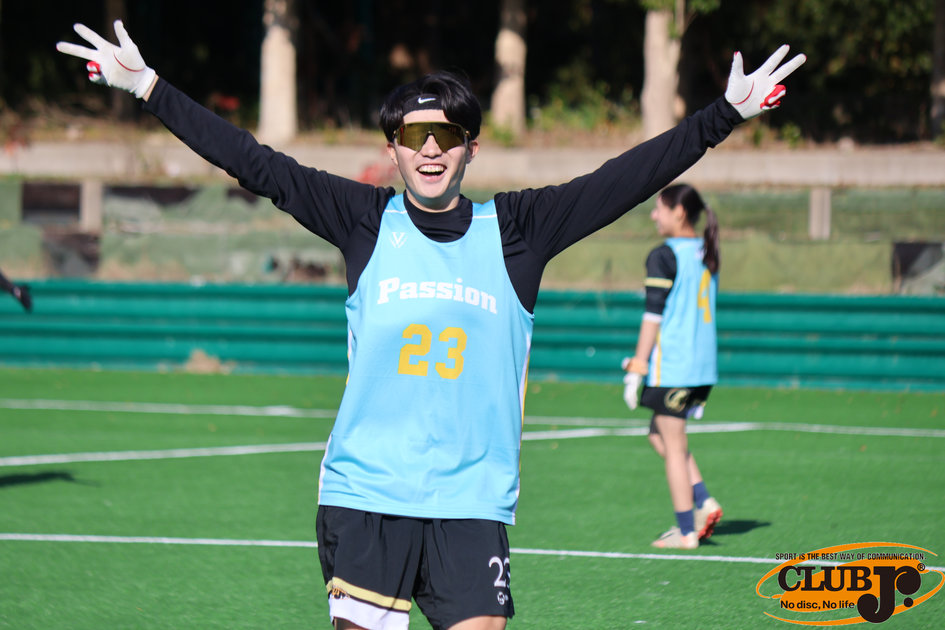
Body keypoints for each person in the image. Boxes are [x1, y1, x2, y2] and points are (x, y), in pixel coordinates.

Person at [57, 20, 805, 630]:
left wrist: (723, 115)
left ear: (471, 147)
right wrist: (148, 86)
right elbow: (255, 164)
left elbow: (624, 179)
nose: (430, 151)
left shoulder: (517, 230)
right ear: (392, 150)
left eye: (447, 137)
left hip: (471, 504)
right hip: (367, 496)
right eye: (414, 138)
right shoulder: (362, 220)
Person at [621, 183, 723, 550]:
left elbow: (653, 316)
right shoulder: (705, 250)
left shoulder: (664, 255)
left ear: (678, 213)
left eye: (658, 208)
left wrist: (638, 366)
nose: (653, 215)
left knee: (674, 448)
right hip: (701, 367)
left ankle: (686, 531)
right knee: (658, 434)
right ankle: (704, 501)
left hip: (675, 368)